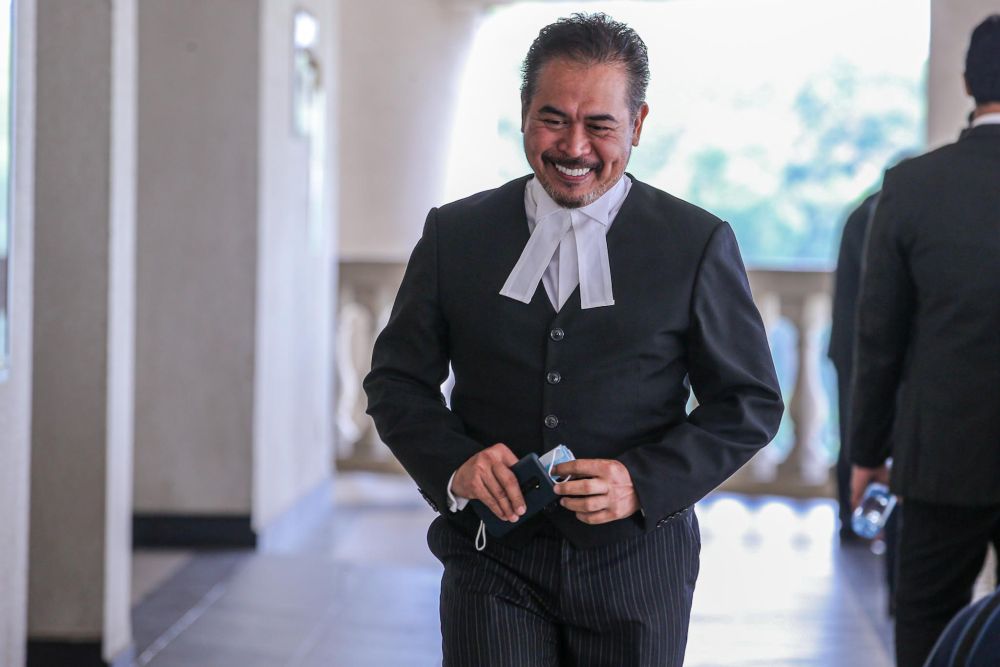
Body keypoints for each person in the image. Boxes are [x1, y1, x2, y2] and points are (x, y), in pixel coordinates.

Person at [364, 13, 782, 666]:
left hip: (638, 567)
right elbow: (396, 381)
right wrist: (455, 464)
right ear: (524, 114)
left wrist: (640, 482)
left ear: (638, 125)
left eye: (600, 125)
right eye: (554, 118)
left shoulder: (696, 243)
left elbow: (749, 403)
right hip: (491, 559)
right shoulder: (456, 234)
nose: (574, 147)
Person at [848, 14, 1000, 667]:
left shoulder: (912, 185)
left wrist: (866, 454)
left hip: (940, 457)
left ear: (968, 82)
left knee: (926, 618)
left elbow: (878, 338)